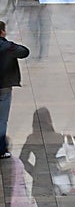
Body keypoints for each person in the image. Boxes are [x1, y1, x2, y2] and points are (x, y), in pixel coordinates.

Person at [19, 107, 63, 207]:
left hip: (39, 180)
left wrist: (34, 172)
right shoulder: (58, 138)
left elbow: (22, 159)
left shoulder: (32, 138)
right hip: (56, 178)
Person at [0, 21, 29, 159]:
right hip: (4, 87)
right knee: (2, 120)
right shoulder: (8, 47)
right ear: (2, 32)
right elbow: (24, 52)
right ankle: (1, 149)